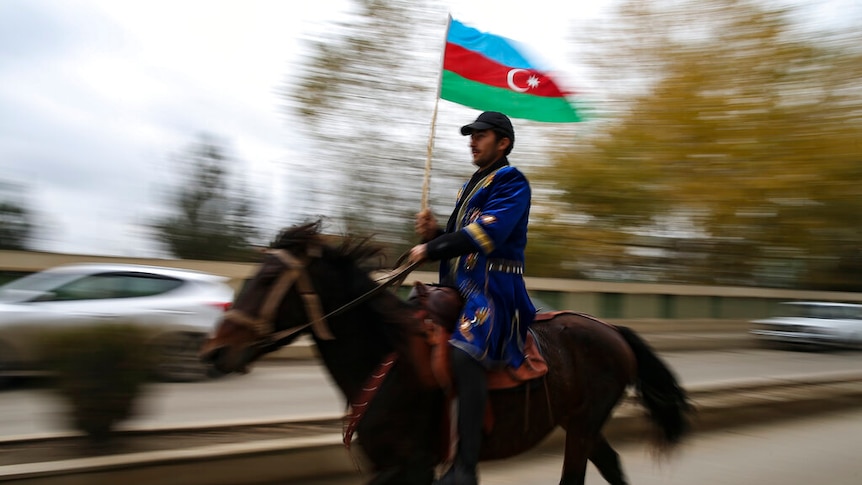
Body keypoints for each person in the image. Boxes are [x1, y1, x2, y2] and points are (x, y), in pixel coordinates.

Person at [409, 111, 535, 485]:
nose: (472, 141)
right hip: (457, 286)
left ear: (503, 143)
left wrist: (433, 246)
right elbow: (456, 235)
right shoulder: (471, 185)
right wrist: (434, 233)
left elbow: (484, 236)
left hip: (494, 291)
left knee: (465, 354)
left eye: (481, 135)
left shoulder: (513, 182)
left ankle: (466, 467)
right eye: (471, 135)